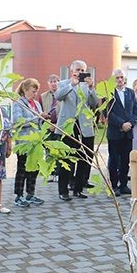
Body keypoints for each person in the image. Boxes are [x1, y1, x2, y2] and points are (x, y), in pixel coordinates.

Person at [54, 60, 99, 200]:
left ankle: (78, 189)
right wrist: (72, 84)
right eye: (78, 70)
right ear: (71, 70)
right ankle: (63, 191)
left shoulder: (87, 86)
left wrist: (92, 89)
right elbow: (58, 96)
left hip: (84, 126)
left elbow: (93, 104)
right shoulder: (63, 84)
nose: (80, 73)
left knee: (84, 158)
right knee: (66, 159)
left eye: (83, 70)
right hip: (68, 126)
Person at [12, 78, 49, 207]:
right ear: (25, 90)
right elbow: (18, 121)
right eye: (33, 91)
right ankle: (18, 196)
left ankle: (30, 193)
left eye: (37, 91)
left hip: (35, 143)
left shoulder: (36, 104)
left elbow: (38, 121)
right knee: (22, 169)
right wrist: (36, 117)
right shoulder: (19, 103)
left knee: (34, 169)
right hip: (24, 142)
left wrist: (44, 119)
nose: (35, 94)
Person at [106, 69, 137, 197]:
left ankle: (123, 184)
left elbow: (135, 110)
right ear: (113, 79)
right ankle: (114, 185)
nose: (120, 80)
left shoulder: (130, 92)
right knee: (114, 159)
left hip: (128, 132)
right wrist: (121, 124)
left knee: (125, 159)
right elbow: (108, 112)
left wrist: (130, 123)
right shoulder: (109, 93)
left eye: (122, 77)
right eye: (117, 78)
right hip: (115, 131)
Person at [40, 74, 63, 182]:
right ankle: (50, 172)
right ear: (48, 83)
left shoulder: (63, 95)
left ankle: (58, 173)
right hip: (48, 126)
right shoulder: (43, 96)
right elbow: (40, 112)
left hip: (59, 126)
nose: (54, 83)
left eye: (56, 81)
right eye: (51, 81)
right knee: (48, 151)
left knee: (58, 150)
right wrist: (48, 122)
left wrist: (56, 124)